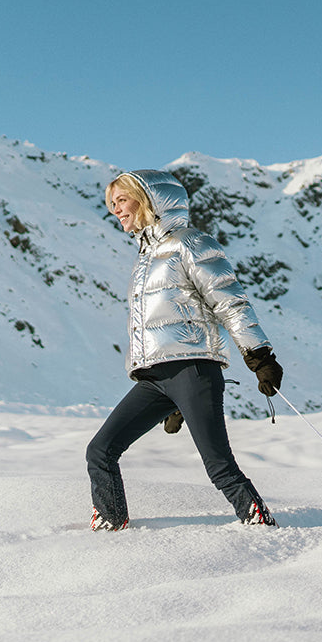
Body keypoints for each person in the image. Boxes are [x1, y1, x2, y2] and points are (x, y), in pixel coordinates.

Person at [86, 170, 284, 530]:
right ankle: (111, 526)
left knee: (218, 465)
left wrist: (259, 356)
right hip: (155, 378)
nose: (115, 210)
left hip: (192, 372)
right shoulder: (145, 258)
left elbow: (230, 302)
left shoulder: (190, 243)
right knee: (100, 450)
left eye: (121, 200)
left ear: (147, 200)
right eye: (111, 204)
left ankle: (260, 524)